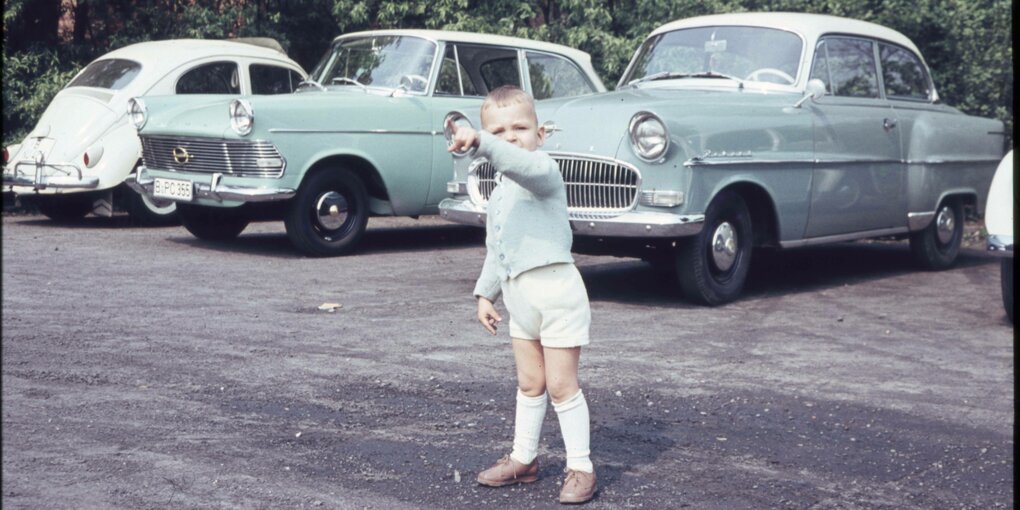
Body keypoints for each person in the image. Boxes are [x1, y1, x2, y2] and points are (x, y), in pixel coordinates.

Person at [447, 85, 596, 505]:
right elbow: (498, 248)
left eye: (520, 127)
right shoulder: (498, 196)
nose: (509, 136)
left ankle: (581, 466)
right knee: (530, 383)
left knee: (562, 386)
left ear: (540, 134)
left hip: (557, 296)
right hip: (520, 301)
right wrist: (484, 295)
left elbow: (518, 163)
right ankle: (524, 459)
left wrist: (482, 140)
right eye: (498, 129)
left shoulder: (544, 172)